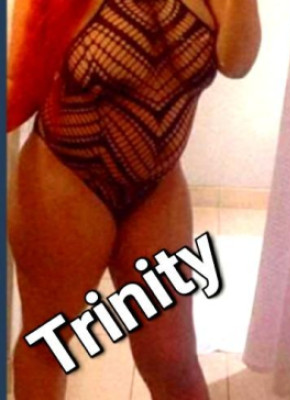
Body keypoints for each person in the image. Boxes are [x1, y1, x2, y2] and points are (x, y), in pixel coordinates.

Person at [6, 0, 261, 399]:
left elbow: (238, 62)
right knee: (49, 345)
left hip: (157, 187)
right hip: (66, 178)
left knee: (173, 359)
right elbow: (16, 88)